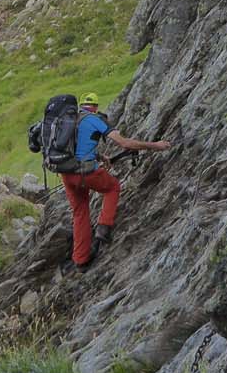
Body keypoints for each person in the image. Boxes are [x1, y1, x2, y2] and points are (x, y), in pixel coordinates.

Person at [62, 92, 171, 267]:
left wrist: (97, 156)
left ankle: (80, 260)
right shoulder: (94, 119)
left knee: (80, 211)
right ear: (96, 107)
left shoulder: (68, 120)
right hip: (85, 173)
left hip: (66, 174)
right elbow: (125, 144)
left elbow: (75, 146)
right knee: (112, 187)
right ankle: (103, 229)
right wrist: (155, 146)